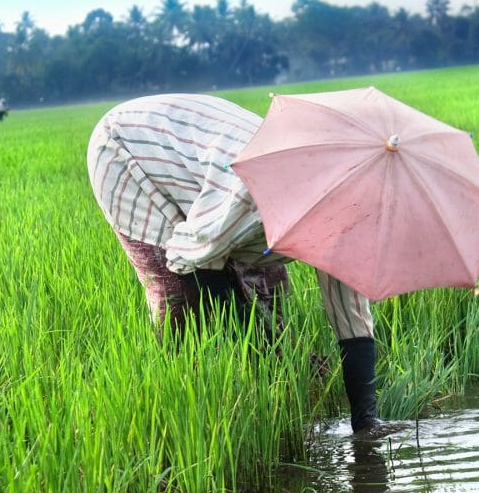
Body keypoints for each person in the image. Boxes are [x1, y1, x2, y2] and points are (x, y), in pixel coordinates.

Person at [86, 93, 381, 434]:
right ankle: (177, 413)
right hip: (128, 150)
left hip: (204, 160)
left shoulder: (349, 215)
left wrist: (366, 420)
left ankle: (278, 392)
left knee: (269, 295)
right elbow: (191, 256)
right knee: (182, 298)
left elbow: (352, 320)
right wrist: (264, 344)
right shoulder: (253, 194)